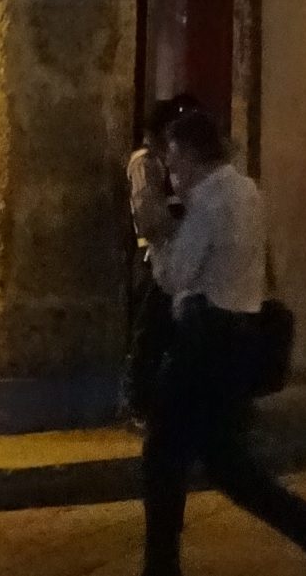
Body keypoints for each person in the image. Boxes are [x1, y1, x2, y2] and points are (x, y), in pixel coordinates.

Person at [134, 105, 306, 576]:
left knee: (163, 455)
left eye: (174, 160)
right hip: (237, 336)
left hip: (204, 340)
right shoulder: (246, 190)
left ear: (190, 154)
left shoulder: (209, 201)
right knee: (226, 462)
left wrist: (158, 237)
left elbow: (176, 276)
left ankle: (161, 566)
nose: (172, 173)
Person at [124, 93, 199, 424]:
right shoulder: (144, 163)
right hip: (151, 259)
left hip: (170, 257)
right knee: (149, 332)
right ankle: (139, 403)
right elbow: (149, 215)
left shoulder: (166, 164)